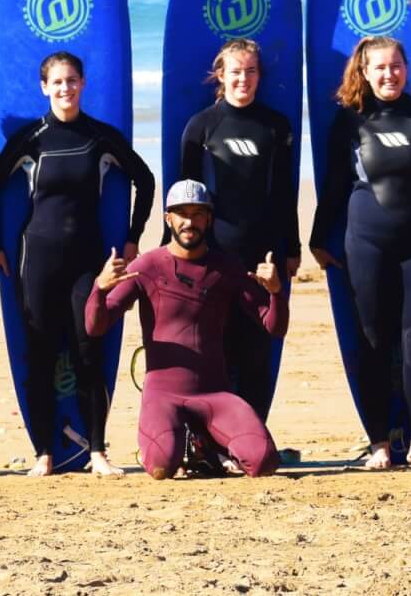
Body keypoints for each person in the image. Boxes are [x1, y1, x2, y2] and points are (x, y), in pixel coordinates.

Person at [0, 50, 156, 477]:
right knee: (38, 354)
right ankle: (44, 453)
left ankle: (97, 452)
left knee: (88, 352)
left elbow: (145, 180)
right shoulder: (31, 138)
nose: (65, 89)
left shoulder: (100, 137)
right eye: (57, 82)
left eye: (72, 81)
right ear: (44, 87)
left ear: (82, 84)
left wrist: (133, 236)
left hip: (88, 263)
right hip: (35, 260)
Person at [310, 35, 411, 470]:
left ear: (406, 68)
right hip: (366, 242)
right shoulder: (349, 121)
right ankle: (379, 440)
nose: (389, 74)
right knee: (374, 341)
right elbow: (335, 185)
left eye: (396, 65)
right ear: (364, 72)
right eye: (379, 67)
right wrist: (318, 239)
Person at [85, 180, 287, 478]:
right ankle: (181, 441)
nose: (189, 221)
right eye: (181, 213)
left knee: (263, 463)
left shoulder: (226, 268)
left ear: (209, 218)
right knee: (161, 466)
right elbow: (95, 326)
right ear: (168, 218)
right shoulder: (147, 266)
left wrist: (276, 292)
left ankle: (203, 441)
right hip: (163, 395)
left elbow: (274, 327)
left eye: (197, 213)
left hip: (215, 393)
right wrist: (99, 290)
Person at [175, 37, 299, 420]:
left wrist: (290, 248)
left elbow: (284, 194)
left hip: (262, 253)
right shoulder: (201, 126)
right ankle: (216, 436)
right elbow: (186, 199)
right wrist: (178, 252)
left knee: (258, 348)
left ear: (259, 76)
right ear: (221, 76)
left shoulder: (276, 128)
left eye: (250, 71)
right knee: (216, 346)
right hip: (214, 252)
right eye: (235, 72)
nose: (242, 78)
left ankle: (252, 430)